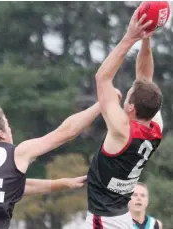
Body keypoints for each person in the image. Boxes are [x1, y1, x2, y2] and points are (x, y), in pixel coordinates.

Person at [85, 8, 163, 229]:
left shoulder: (122, 129)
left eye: (128, 94)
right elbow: (145, 78)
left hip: (105, 218)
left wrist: (130, 38)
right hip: (120, 214)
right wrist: (146, 39)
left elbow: (102, 78)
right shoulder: (156, 126)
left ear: (129, 107)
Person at [0, 102, 100, 229]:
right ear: (2, 133)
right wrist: (103, 103)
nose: (11, 130)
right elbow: (65, 132)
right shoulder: (16, 153)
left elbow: (17, 186)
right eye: (8, 126)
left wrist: (64, 183)